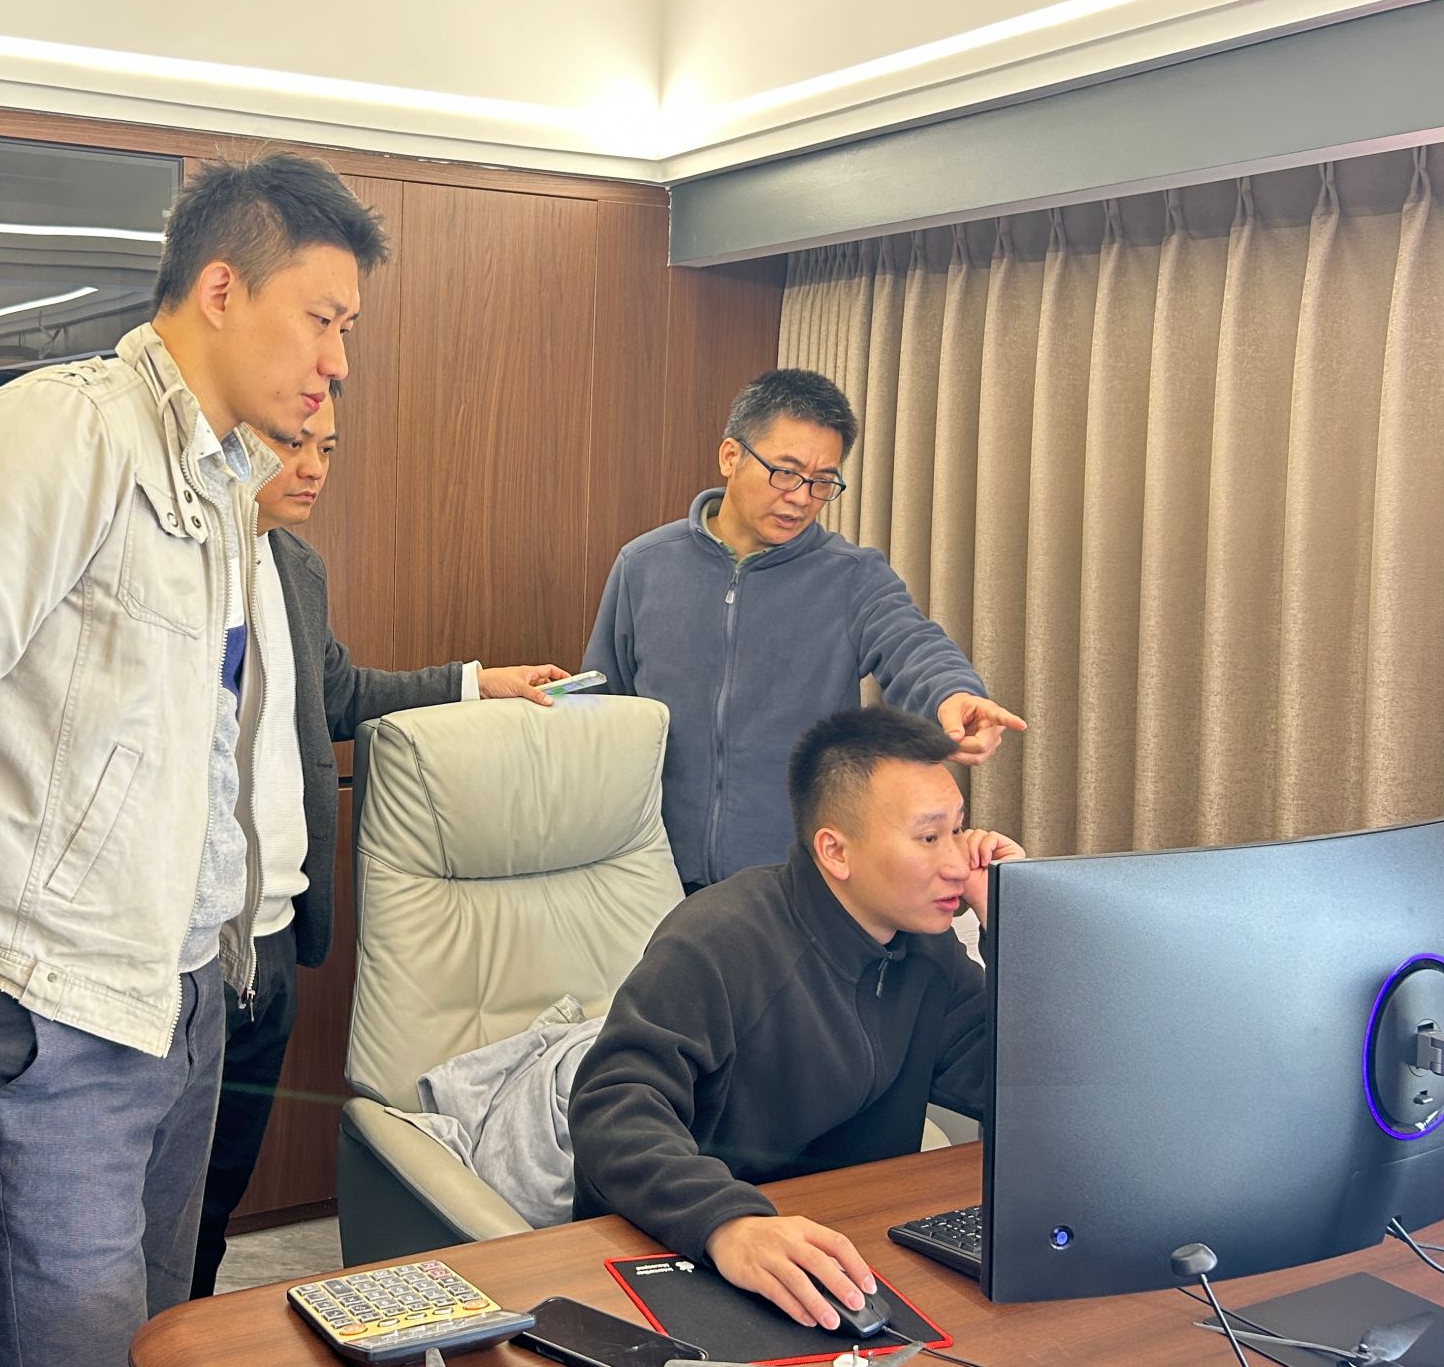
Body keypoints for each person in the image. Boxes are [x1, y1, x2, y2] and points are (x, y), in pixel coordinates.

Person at [0, 152, 386, 1367]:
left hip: (179, 983)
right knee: (69, 1344)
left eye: (346, 328)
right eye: (322, 318)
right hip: (48, 995)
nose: (338, 360)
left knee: (156, 1334)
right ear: (223, 289)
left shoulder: (223, 483)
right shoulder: (57, 434)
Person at [190, 381, 571, 1296]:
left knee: (213, 1198)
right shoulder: (178, 561)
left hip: (271, 938)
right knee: (144, 1202)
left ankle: (184, 1331)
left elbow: (339, 694)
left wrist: (476, 682)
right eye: (294, 444)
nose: (314, 468)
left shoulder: (295, 566)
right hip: (185, 939)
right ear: (230, 442)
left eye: (327, 449)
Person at [568, 706, 1023, 1333]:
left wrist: (1014, 924)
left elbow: (1024, 1088)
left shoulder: (926, 949)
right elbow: (612, 1107)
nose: (956, 864)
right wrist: (729, 1223)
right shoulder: (720, 939)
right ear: (835, 850)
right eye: (928, 838)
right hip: (690, 1244)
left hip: (846, 1243)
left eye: (958, 830)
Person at [584, 368, 1025, 890]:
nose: (801, 497)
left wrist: (954, 693)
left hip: (796, 878)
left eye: (822, 481)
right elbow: (601, 708)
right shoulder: (644, 565)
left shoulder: (852, 575)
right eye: (785, 472)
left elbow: (913, 643)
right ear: (730, 456)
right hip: (654, 871)